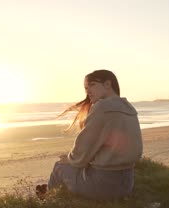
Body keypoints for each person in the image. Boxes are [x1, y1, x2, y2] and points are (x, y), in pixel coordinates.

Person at [36, 69, 143, 200]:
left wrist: (69, 159)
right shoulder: (129, 108)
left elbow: (82, 150)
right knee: (78, 165)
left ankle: (49, 201)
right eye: (86, 88)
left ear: (108, 84)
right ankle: (52, 194)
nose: (88, 91)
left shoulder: (102, 107)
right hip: (126, 183)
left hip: (103, 186)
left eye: (92, 85)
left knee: (59, 166)